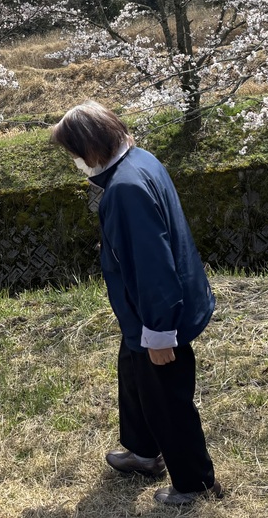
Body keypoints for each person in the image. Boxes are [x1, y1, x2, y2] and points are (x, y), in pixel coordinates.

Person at [50, 101, 222, 506]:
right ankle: (143, 452)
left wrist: (160, 331)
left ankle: (195, 483)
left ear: (90, 147)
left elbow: (151, 263)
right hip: (148, 310)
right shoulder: (140, 160)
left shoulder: (125, 188)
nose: (73, 160)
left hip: (159, 312)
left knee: (165, 396)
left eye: (73, 152)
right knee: (133, 371)